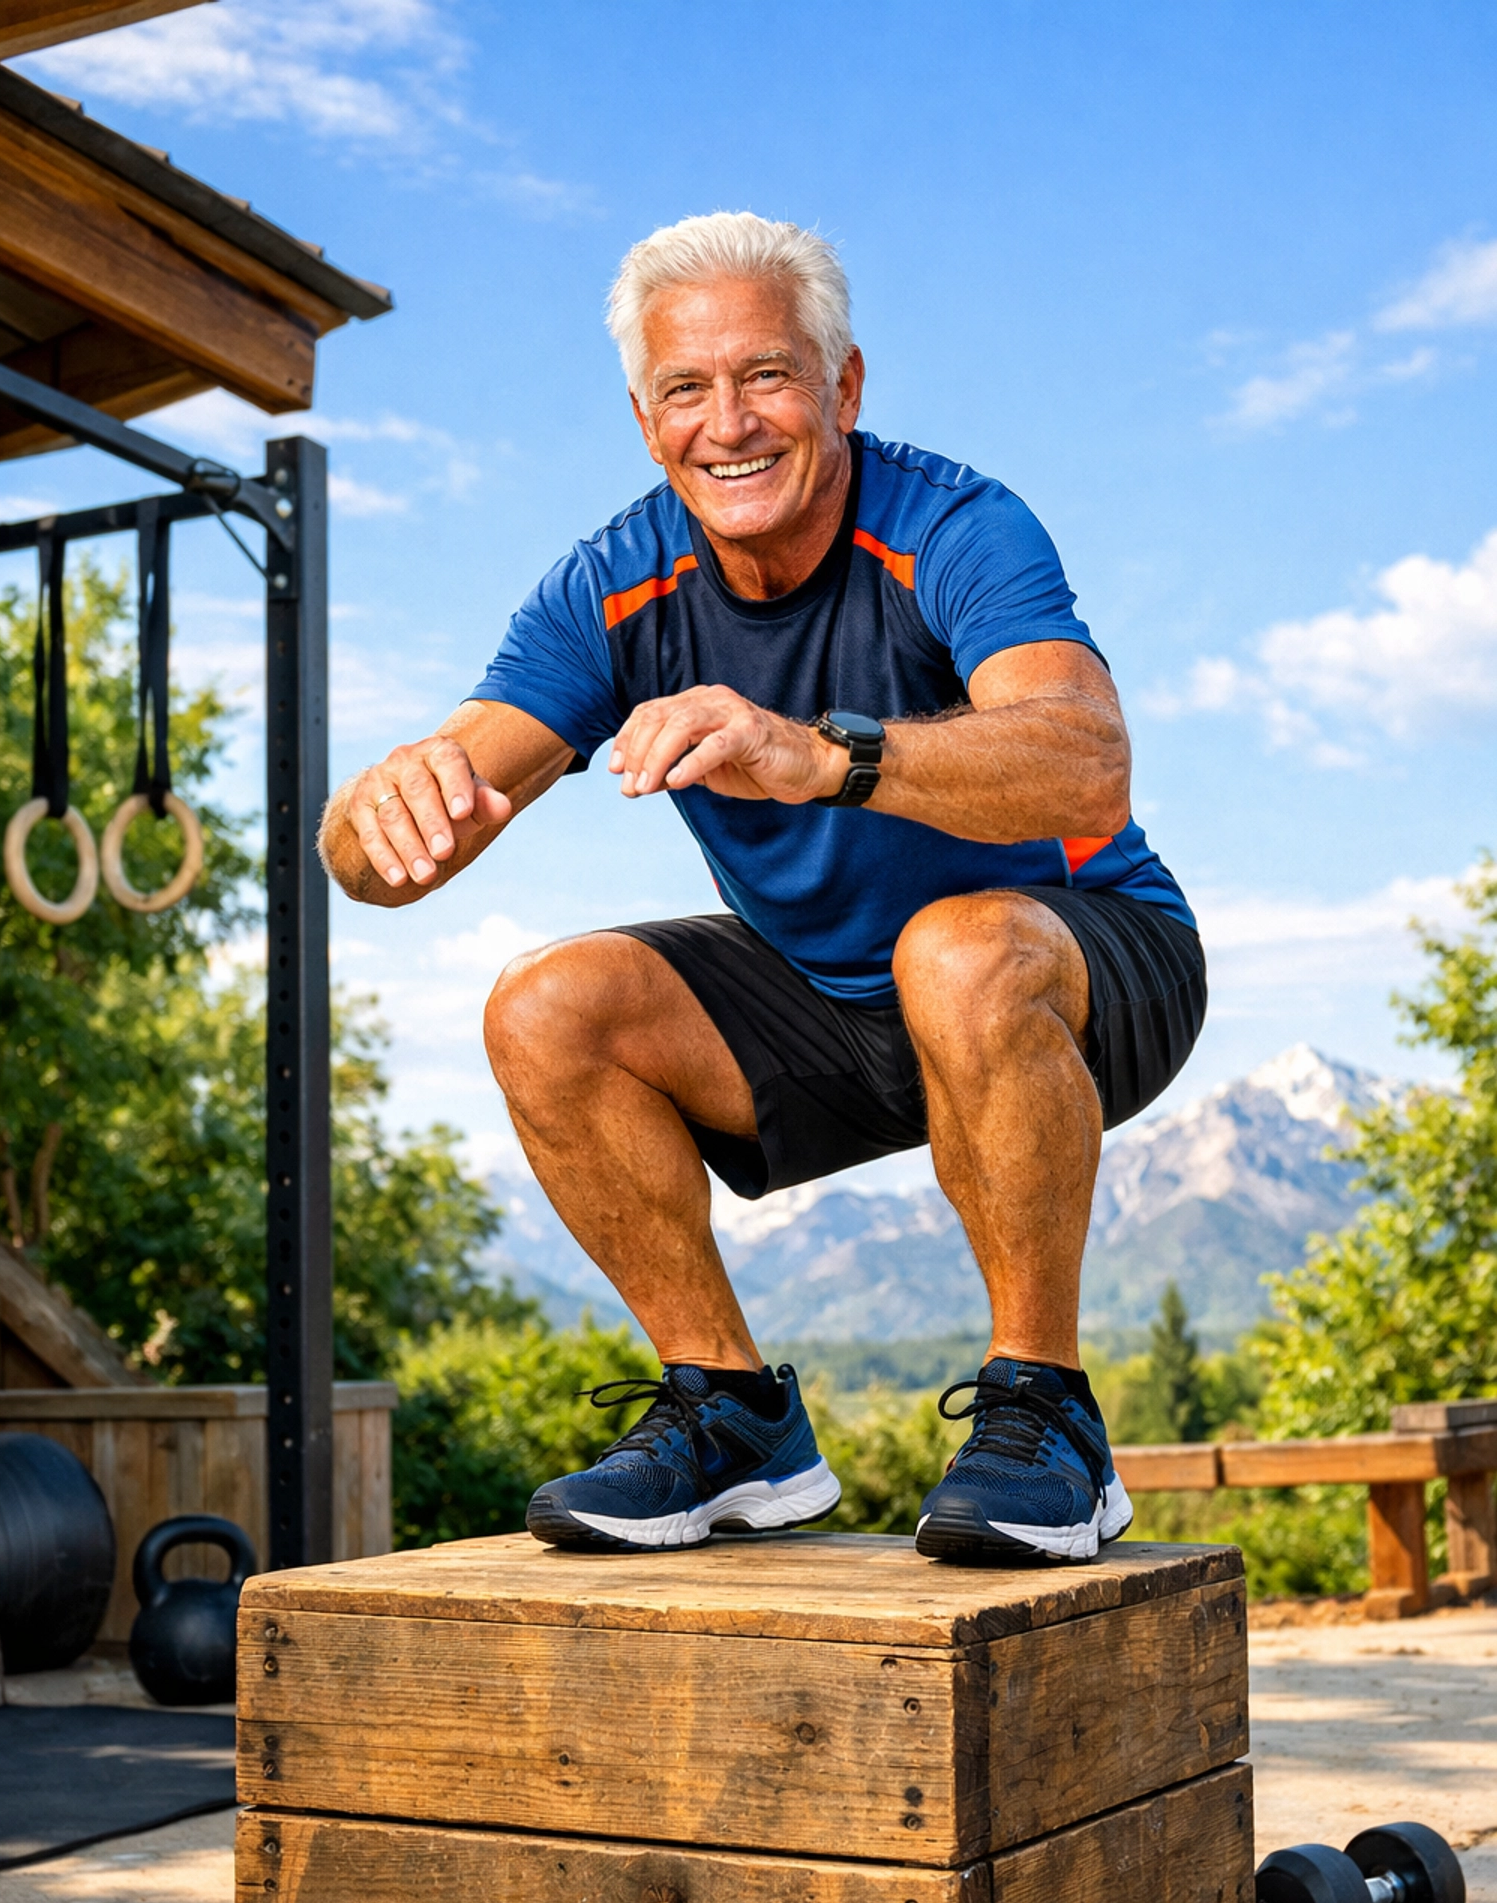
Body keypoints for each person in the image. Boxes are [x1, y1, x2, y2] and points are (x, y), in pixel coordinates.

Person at [319, 211, 1205, 1567]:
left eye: (768, 378)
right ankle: (731, 1416)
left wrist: (817, 755)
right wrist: (363, 822)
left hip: (1082, 969)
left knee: (956, 953)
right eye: (687, 390)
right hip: (837, 1003)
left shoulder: (955, 524)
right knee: (548, 1007)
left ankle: (1048, 1415)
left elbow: (1088, 768)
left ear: (843, 388)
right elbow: (402, 848)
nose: (729, 423)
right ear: (645, 421)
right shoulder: (611, 586)